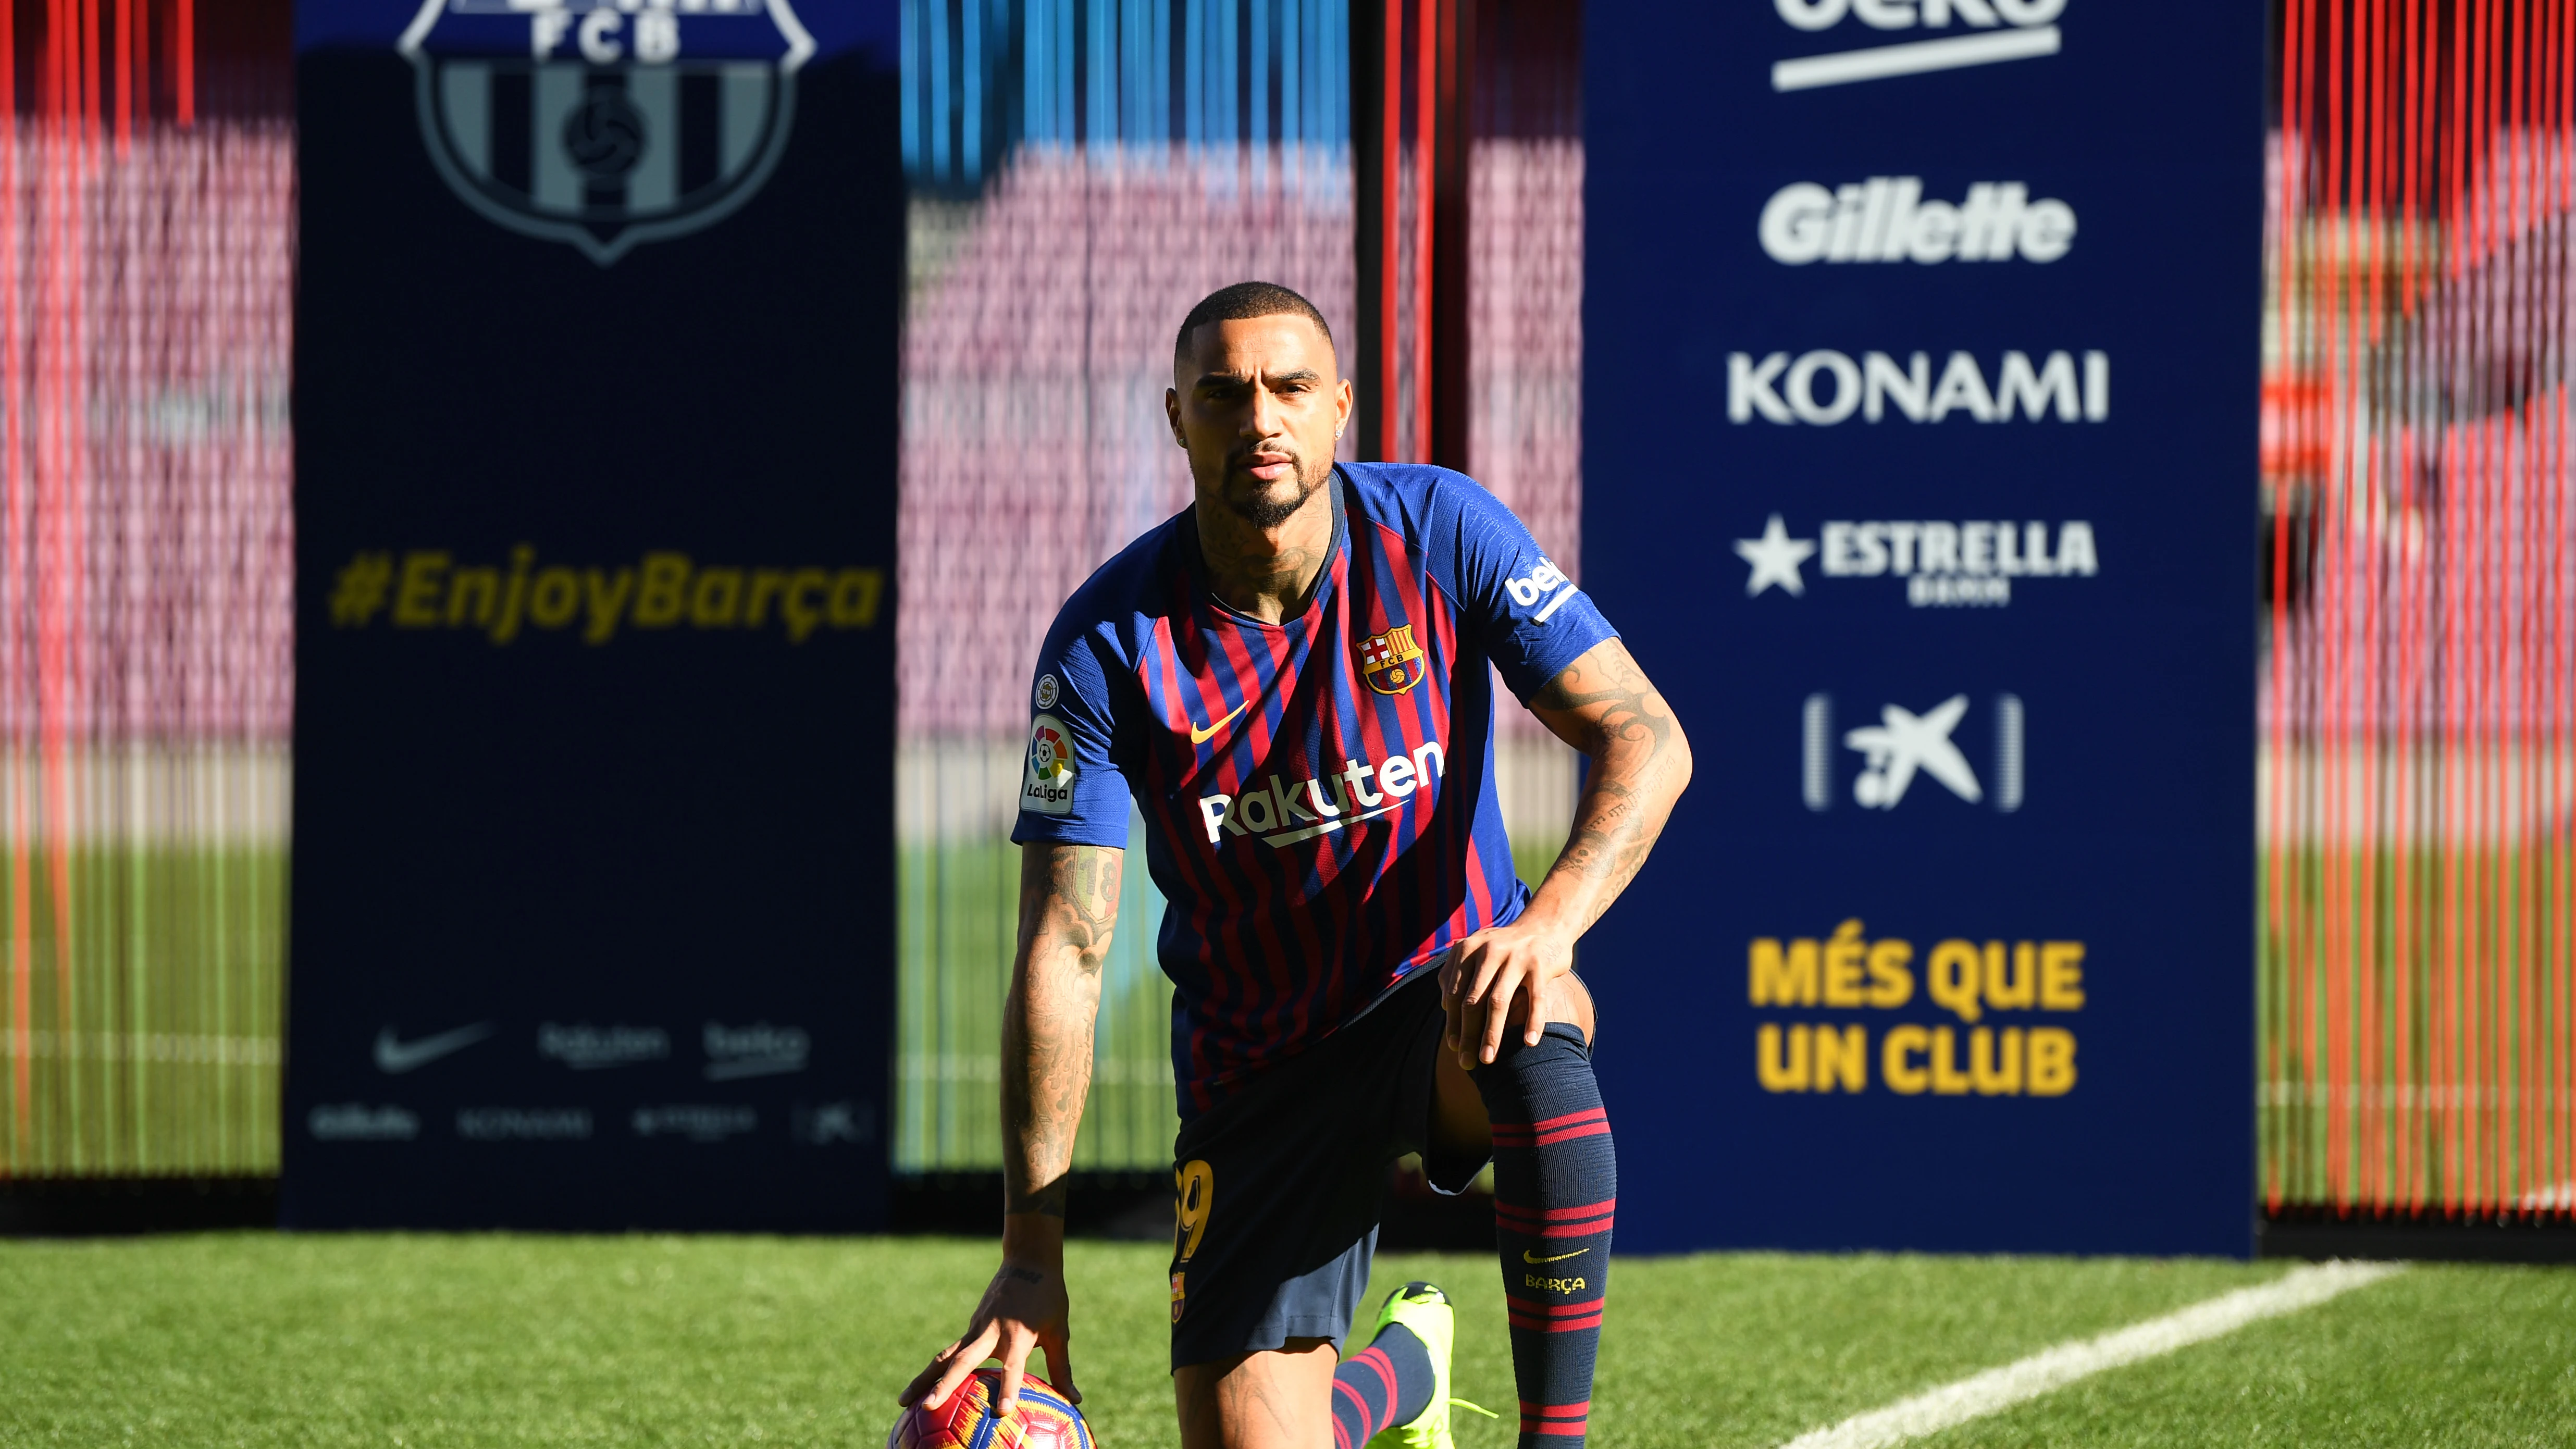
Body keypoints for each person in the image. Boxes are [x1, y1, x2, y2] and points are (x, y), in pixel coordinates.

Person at [900, 280, 1691, 1449]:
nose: (1258, 417)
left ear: (1340, 410)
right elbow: (1068, 947)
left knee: (1538, 1015)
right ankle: (1407, 1371)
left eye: (1288, 388)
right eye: (1223, 394)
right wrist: (1030, 1258)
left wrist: (1548, 923)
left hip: (1440, 1000)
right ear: (1177, 418)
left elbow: (1647, 735)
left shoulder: (1442, 531)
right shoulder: (1105, 645)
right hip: (1258, 1070)